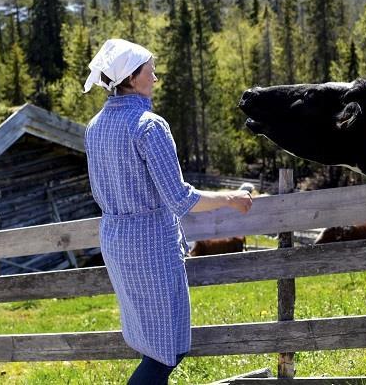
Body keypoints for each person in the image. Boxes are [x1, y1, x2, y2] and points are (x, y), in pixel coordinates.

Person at [83, 38, 253, 384]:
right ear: (131, 78)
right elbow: (179, 198)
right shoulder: (148, 125)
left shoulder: (95, 126)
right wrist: (230, 199)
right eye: (150, 71)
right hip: (149, 245)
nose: (156, 78)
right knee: (167, 351)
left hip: (116, 240)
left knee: (152, 343)